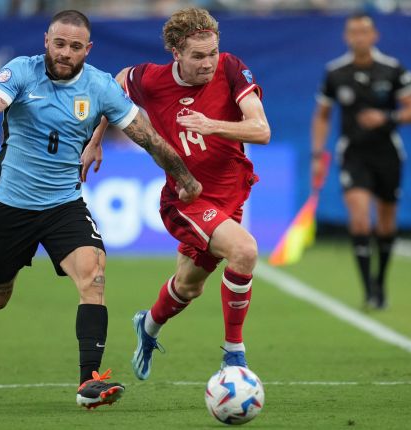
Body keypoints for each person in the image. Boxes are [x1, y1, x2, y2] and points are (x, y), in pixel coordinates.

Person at [0, 9, 201, 408]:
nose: (65, 52)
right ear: (46, 41)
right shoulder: (21, 72)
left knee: (93, 275)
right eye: (59, 43)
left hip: (64, 204)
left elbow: (147, 137)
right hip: (13, 205)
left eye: (75, 47)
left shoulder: (100, 87)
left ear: (87, 49)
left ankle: (88, 382)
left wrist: (185, 177)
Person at [82, 7, 270, 380]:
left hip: (230, 193)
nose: (208, 63)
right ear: (177, 54)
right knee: (245, 250)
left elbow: (261, 129)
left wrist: (211, 125)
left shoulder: (232, 68)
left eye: (213, 52)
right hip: (186, 198)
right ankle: (234, 355)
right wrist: (96, 138)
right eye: (198, 56)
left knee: (188, 286)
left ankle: (148, 325)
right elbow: (115, 84)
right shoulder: (151, 80)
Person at [311, 13, 411, 310]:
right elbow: (322, 115)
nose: (359, 37)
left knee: (386, 222)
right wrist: (317, 154)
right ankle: (368, 291)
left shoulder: (392, 69)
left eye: (364, 31)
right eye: (353, 32)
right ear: (346, 37)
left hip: (387, 153)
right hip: (353, 153)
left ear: (374, 36)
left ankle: (381, 281)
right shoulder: (336, 72)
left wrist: (388, 117)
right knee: (360, 218)